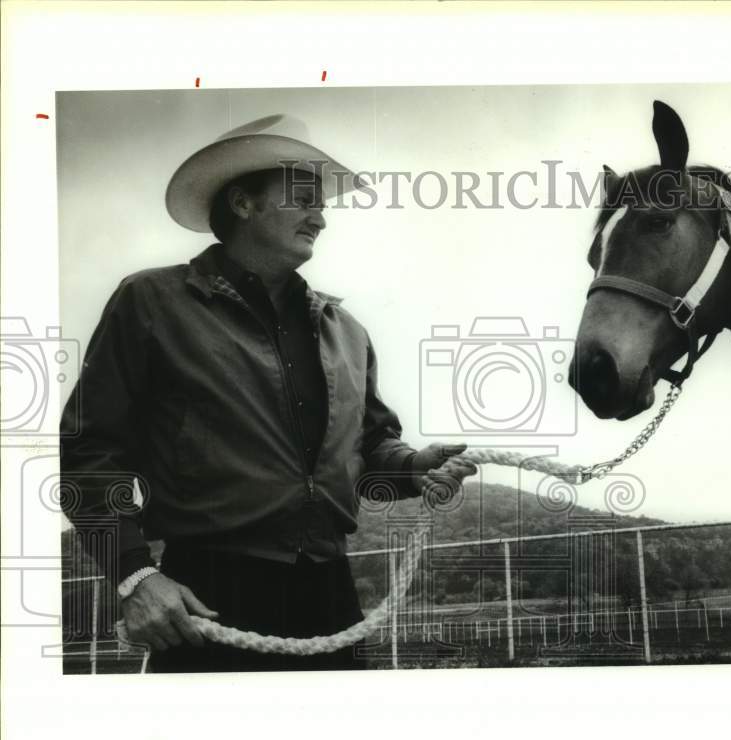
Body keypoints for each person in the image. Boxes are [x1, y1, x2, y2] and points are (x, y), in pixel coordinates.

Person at [59, 114, 477, 672]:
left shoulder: (346, 331)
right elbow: (89, 449)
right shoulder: (151, 303)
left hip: (332, 596)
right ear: (242, 203)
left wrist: (412, 467)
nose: (321, 218)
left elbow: (372, 449)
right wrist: (134, 574)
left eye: (322, 204)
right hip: (205, 595)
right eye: (304, 198)